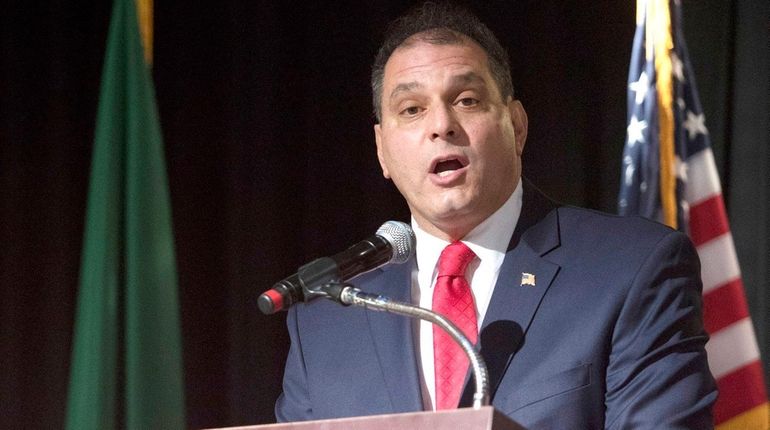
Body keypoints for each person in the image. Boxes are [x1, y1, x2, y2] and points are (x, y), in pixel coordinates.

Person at [275, 2, 717, 428]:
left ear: (517, 126)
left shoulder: (630, 269)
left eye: (466, 100)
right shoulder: (327, 318)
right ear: (381, 151)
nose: (441, 125)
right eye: (412, 109)